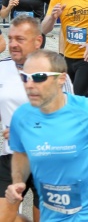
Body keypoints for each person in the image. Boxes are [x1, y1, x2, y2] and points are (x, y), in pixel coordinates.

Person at [5, 49, 88, 221]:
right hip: (51, 215)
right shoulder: (21, 117)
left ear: (61, 79)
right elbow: (20, 152)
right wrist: (17, 181)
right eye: (24, 77)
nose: (29, 84)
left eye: (38, 77)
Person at [0, 16, 67, 222]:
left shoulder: (54, 72)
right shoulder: (2, 69)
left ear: (38, 41)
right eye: (10, 38)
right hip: (11, 158)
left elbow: (69, 120)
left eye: (20, 39)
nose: (12, 44)